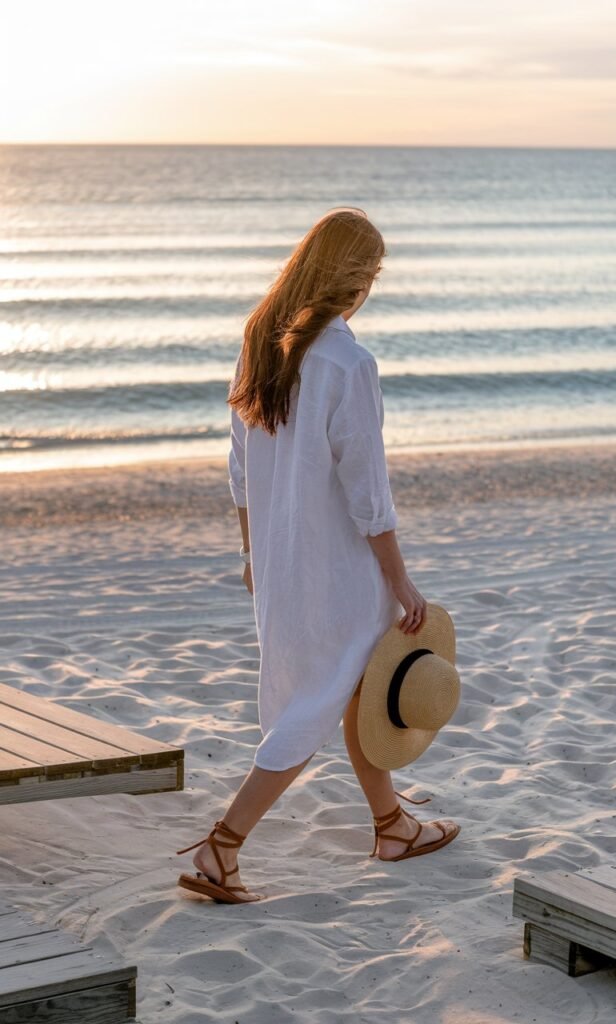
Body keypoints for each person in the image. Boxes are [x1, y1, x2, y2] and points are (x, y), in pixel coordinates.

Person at [176, 208, 459, 904]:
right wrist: (400, 582)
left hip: (279, 561)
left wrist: (251, 551)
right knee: (317, 699)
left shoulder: (259, 342)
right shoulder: (346, 362)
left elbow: (239, 466)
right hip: (336, 566)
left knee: (354, 684)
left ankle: (392, 825)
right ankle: (224, 845)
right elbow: (368, 491)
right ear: (355, 278)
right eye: (373, 273)